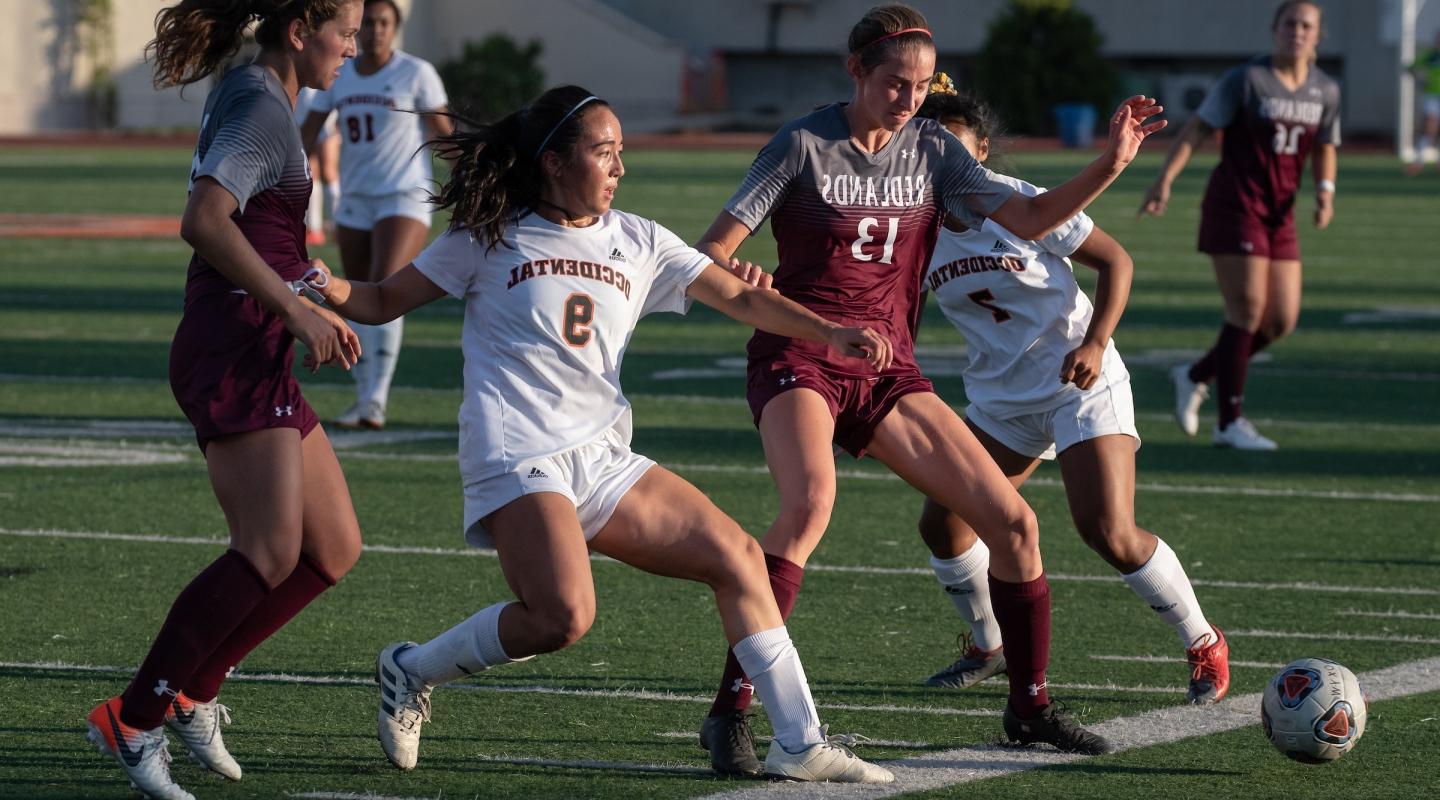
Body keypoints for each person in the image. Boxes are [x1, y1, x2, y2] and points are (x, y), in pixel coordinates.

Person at [308, 84, 896, 784]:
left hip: (602, 455)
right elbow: (380, 300)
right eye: (604, 152)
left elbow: (740, 296)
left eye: (621, 152)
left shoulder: (640, 238)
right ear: (555, 163)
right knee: (562, 617)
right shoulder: (489, 236)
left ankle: (799, 742)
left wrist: (829, 332)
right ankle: (411, 669)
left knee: (740, 557)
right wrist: (326, 285)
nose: (620, 168)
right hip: (518, 451)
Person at [693, 3, 1165, 777]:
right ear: (855, 73)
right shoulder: (804, 143)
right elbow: (711, 252)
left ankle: (1030, 707)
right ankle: (731, 713)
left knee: (1012, 525)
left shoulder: (935, 151)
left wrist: (1111, 163)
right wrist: (736, 270)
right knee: (808, 506)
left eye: (919, 85)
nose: (909, 98)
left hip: (887, 370)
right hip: (801, 353)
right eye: (892, 82)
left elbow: (1034, 215)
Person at [83, 3, 365, 800]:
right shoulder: (258, 100)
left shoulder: (266, 94)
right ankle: (133, 719)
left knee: (331, 548)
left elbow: (255, 225)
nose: (353, 44)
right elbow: (204, 220)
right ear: (303, 26)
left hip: (257, 343)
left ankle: (194, 691)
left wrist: (309, 290)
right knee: (269, 551)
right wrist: (296, 307)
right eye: (345, 27)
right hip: (232, 346)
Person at [911, 77, 1229, 707]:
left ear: (979, 155)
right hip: (1002, 397)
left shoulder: (1021, 201)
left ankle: (1203, 640)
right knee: (944, 523)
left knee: (1107, 530)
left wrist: (1095, 341)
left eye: (958, 149)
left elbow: (1117, 263)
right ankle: (988, 645)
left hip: (1079, 380)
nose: (944, 161)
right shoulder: (915, 229)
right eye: (931, 149)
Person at [1140, 0, 1340, 450]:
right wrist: (1164, 180)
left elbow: (1326, 142)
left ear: (1318, 35)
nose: (1297, 31)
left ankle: (1194, 374)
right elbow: (1196, 129)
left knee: (1281, 320)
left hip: (1280, 214)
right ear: (1275, 29)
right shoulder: (1247, 80)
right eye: (1289, 22)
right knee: (1247, 310)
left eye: (1307, 25)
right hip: (1236, 206)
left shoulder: (1326, 89)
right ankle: (1229, 422)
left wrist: (1325, 190)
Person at [301, 0, 453, 430]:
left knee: (387, 286)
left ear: (395, 28)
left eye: (384, 23)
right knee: (355, 294)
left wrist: (473, 185)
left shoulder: (416, 73)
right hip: (355, 197)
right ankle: (365, 396)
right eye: (367, 24)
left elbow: (445, 136)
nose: (374, 31)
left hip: (405, 195)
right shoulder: (341, 71)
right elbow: (308, 133)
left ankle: (375, 401)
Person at [294, 86, 340, 245]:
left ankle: (338, 226)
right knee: (309, 172)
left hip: (324, 110)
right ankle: (314, 228)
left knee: (328, 171)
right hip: (304, 110)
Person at [1406, 29, 1440, 176]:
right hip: (1432, 96)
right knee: (1430, 127)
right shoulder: (1430, 56)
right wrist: (1420, 79)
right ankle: (1418, 161)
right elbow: (1411, 67)